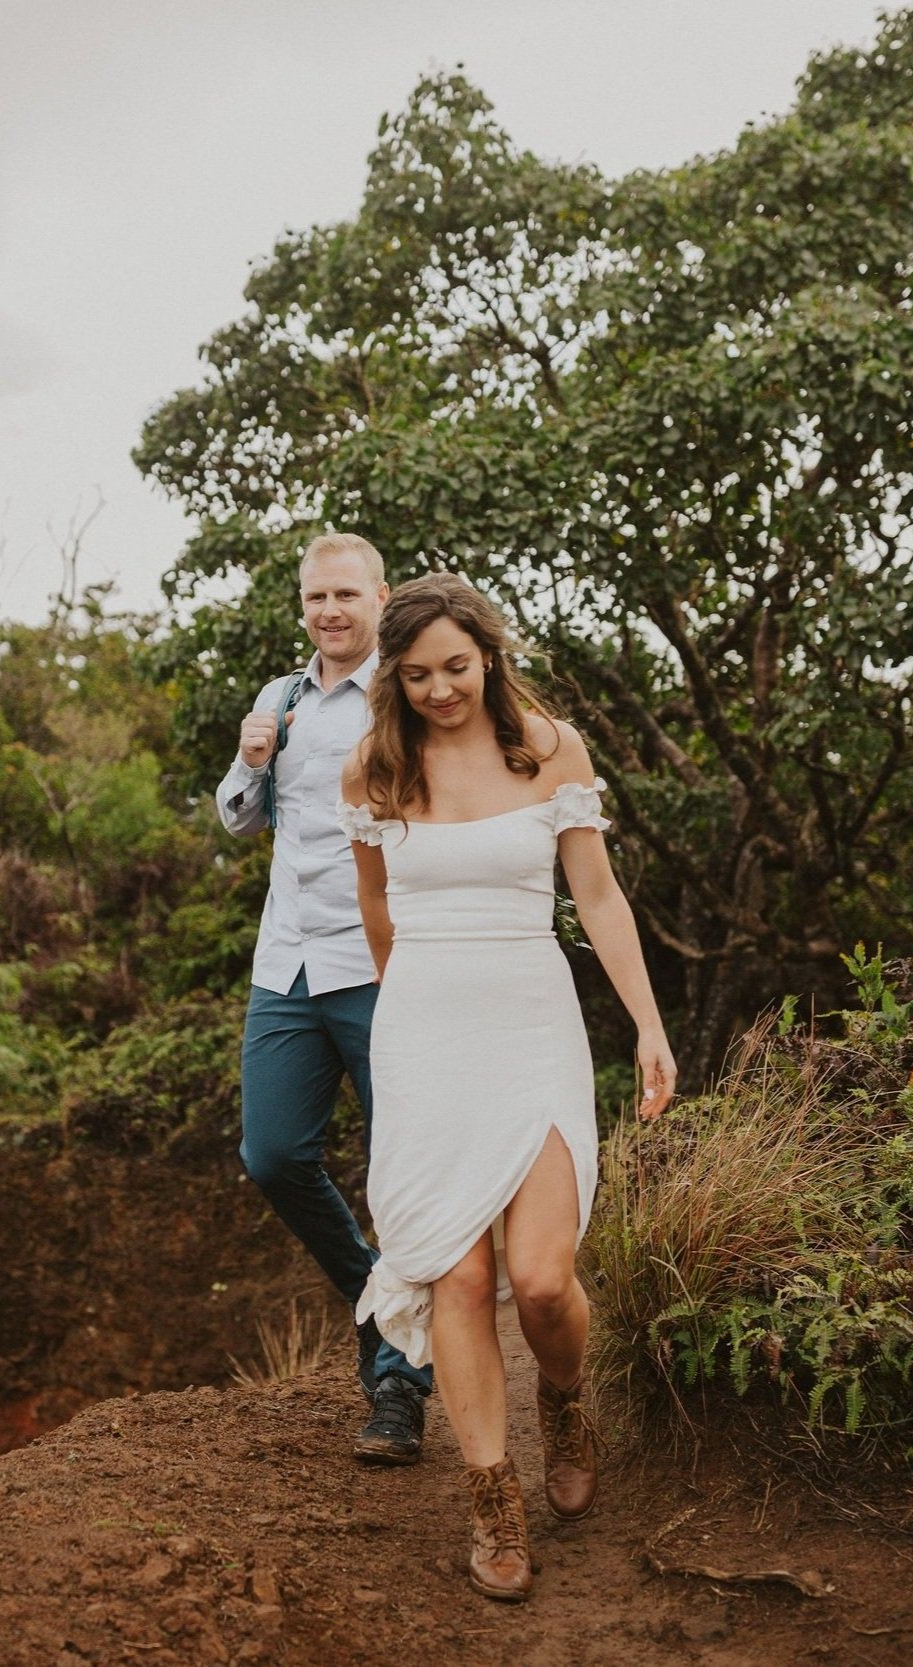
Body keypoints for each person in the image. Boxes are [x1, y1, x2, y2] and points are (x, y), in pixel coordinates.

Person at [339, 572, 675, 1601]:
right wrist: (409, 1034)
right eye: (416, 674)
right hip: (427, 1036)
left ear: (486, 651)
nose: (440, 689)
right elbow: (378, 915)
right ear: (391, 678)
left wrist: (650, 1026)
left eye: (455, 666)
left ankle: (565, 1399)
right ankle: (493, 1497)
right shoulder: (372, 770)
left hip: (532, 1024)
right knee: (458, 1275)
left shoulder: (547, 745)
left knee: (537, 1277)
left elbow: (600, 895)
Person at [215, 532, 433, 1464]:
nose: (330, 611)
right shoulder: (280, 697)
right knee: (271, 1154)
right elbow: (236, 816)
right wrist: (250, 756)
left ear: (380, 598)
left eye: (346, 594)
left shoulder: (409, 692)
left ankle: (399, 1383)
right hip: (287, 964)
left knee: (402, 1173)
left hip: (383, 962)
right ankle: (372, 1301)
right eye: (316, 598)